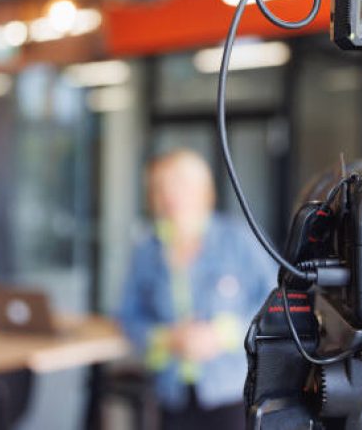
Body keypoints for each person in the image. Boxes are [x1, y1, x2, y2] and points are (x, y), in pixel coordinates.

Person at [118, 149, 275, 430]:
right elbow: (127, 315)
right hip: (171, 391)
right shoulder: (146, 250)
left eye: (181, 184)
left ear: (205, 191)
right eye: (162, 186)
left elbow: (277, 303)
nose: (171, 195)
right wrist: (165, 339)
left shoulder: (238, 240)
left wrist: (221, 334)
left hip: (230, 390)